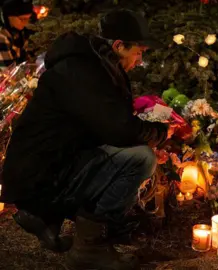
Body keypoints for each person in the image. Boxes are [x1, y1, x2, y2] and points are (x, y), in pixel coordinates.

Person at [0, 9, 176, 270]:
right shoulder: (83, 71)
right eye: (138, 52)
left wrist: (144, 136)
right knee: (141, 160)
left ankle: (42, 217)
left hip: (51, 165)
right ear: (118, 45)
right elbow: (117, 128)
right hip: (41, 173)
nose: (139, 60)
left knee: (134, 152)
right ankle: (88, 248)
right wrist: (158, 135)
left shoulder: (95, 65)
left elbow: (103, 125)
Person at [0, 0, 34, 68]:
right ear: (10, 17)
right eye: (22, 19)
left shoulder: (21, 31)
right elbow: (7, 69)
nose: (26, 23)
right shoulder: (2, 36)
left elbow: (25, 55)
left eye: (28, 19)